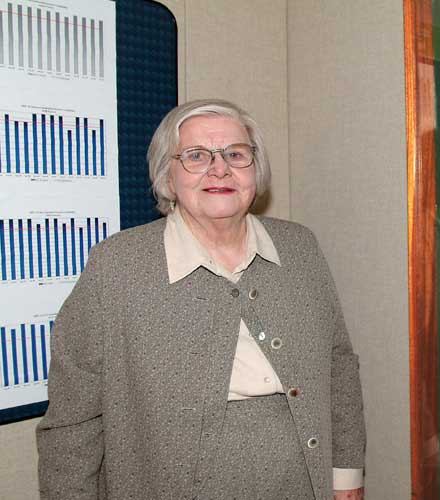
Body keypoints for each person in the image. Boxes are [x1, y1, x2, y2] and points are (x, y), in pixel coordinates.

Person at [36, 99, 366, 499]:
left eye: (235, 154)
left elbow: (339, 367)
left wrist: (347, 477)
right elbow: (73, 420)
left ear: (254, 170)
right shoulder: (115, 266)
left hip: (301, 484)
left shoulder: (300, 247)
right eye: (196, 156)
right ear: (168, 176)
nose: (220, 168)